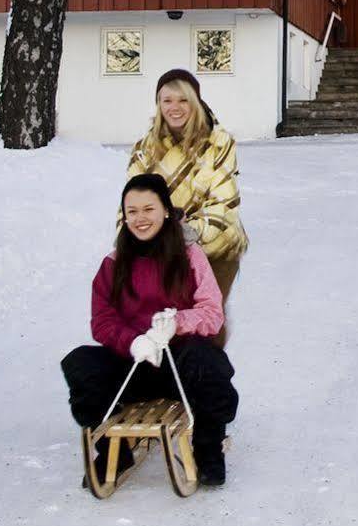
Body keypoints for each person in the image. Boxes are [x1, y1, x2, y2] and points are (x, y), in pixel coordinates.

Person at [62, 173, 238, 487]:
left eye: (148, 209)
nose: (140, 218)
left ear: (166, 211)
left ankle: (208, 448)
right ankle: (112, 450)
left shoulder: (190, 256)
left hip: (178, 366)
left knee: (208, 362)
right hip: (135, 365)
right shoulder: (114, 263)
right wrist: (133, 342)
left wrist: (177, 324)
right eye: (132, 211)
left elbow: (212, 314)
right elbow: (101, 321)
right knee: (80, 363)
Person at [128, 68, 248, 311]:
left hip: (216, 247)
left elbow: (223, 202)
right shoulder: (145, 148)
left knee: (206, 323)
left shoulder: (219, 142)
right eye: (167, 100)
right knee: (159, 322)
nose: (175, 107)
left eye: (183, 100)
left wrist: (188, 233)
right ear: (159, 104)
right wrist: (128, 241)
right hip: (162, 249)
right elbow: (132, 201)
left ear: (195, 102)